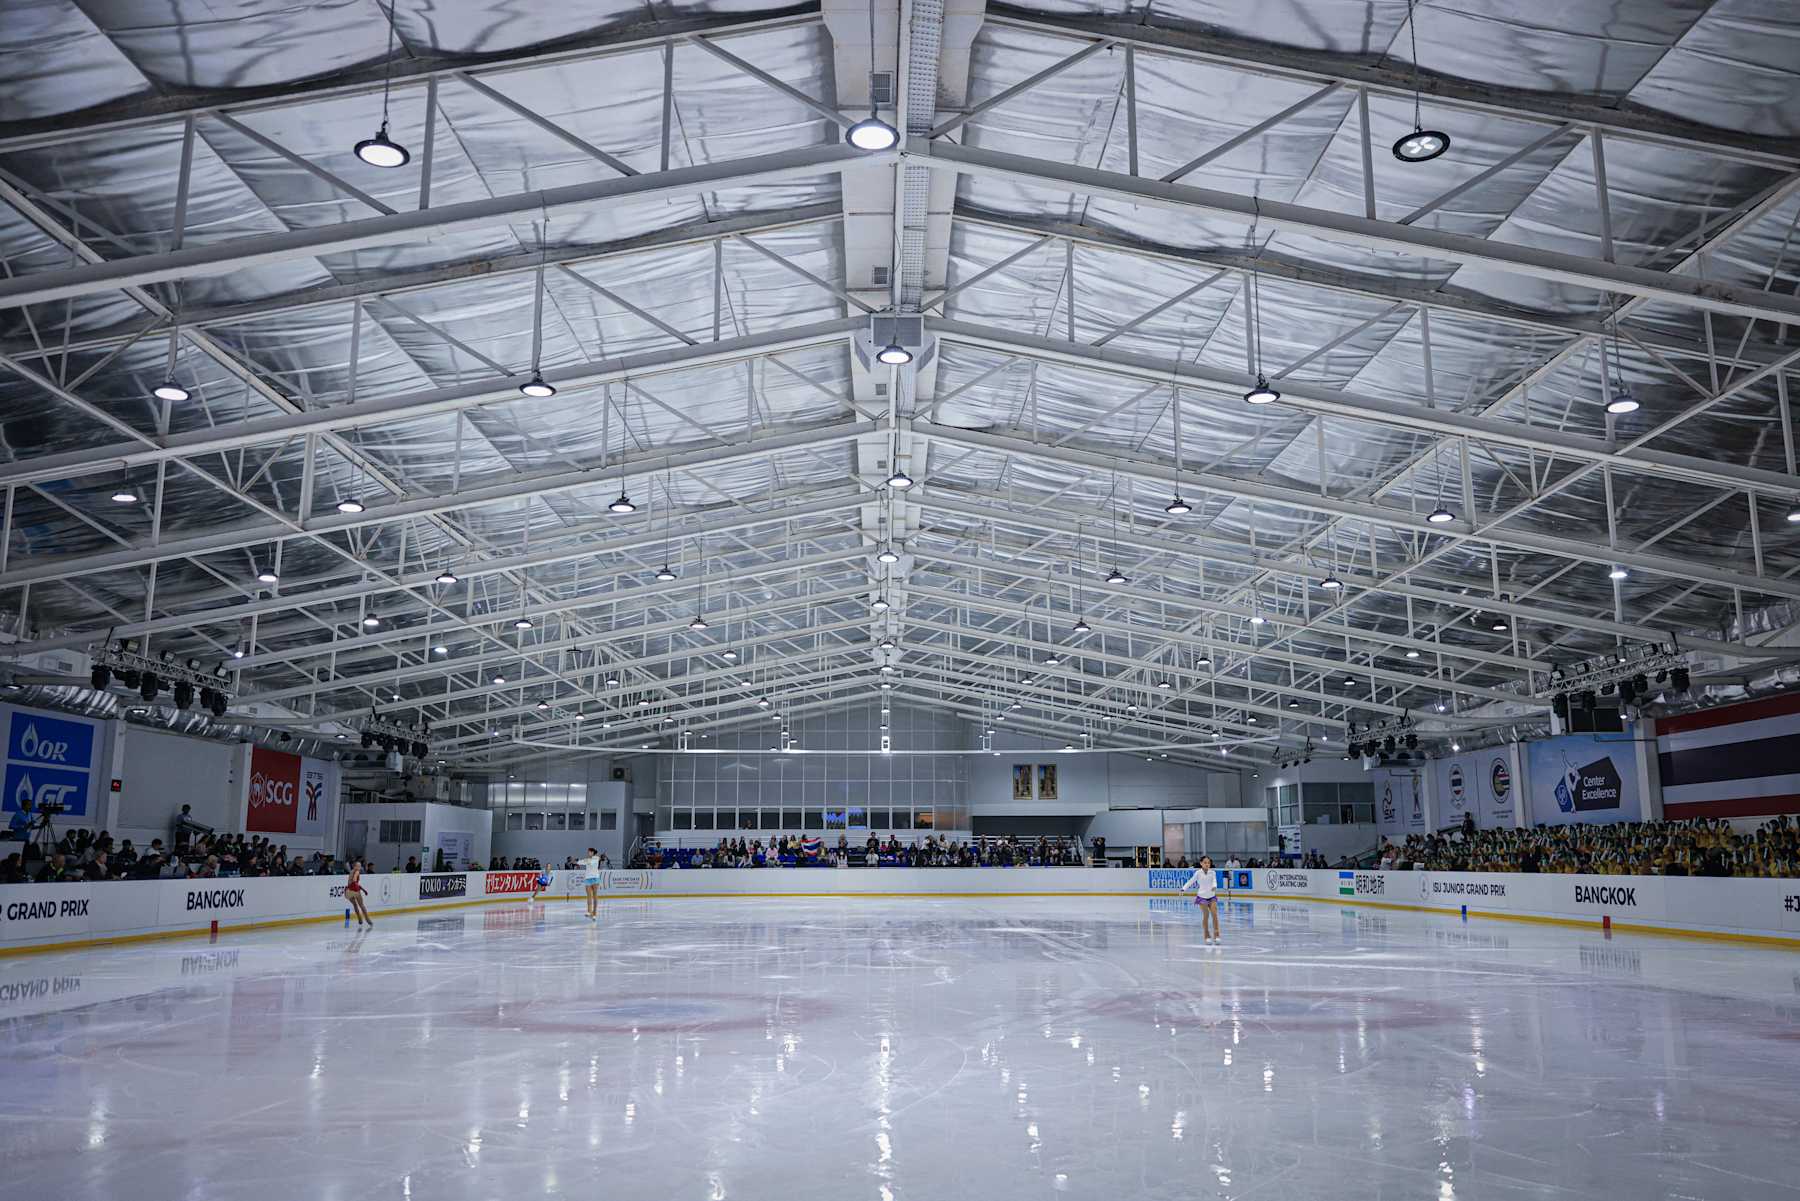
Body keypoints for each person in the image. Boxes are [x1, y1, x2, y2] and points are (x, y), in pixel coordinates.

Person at [1181, 855, 1221, 944]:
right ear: (1201, 863)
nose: (1207, 864)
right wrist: (1183, 888)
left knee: (1214, 914)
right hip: (1202, 897)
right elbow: (1191, 881)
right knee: (1206, 915)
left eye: (1209, 863)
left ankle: (1217, 934)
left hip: (1212, 896)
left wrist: (1214, 886)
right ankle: (1207, 935)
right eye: (1205, 863)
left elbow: (1214, 881)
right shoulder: (1198, 873)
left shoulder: (1212, 872)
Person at [344, 859, 373, 926]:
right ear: (355, 866)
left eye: (360, 866)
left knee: (355, 905)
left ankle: (359, 919)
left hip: (348, 891)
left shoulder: (351, 871)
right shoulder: (357, 872)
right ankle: (367, 919)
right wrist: (362, 889)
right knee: (361, 905)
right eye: (358, 866)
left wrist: (362, 889)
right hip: (354, 890)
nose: (359, 867)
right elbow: (354, 881)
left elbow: (351, 882)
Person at [579, 847, 602, 920]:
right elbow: (582, 862)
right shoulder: (588, 859)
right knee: (589, 896)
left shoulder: (596, 858)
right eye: (588, 852)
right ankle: (589, 911)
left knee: (595, 896)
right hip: (588, 879)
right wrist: (577, 861)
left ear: (592, 852)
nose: (588, 853)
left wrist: (583, 861)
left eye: (589, 852)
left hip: (595, 878)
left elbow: (590, 862)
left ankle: (594, 913)